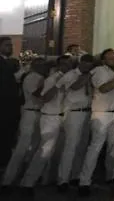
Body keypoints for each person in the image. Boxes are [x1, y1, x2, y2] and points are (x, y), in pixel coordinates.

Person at [21, 55, 72, 195]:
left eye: (69, 64)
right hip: (50, 117)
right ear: (58, 66)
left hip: (64, 117)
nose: (66, 67)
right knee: (44, 151)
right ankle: (28, 184)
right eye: (64, 64)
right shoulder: (52, 79)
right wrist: (57, 85)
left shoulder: (69, 78)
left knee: (59, 151)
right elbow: (45, 98)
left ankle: (54, 180)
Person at [79, 49, 114, 196]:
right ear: (104, 60)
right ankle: (84, 181)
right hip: (102, 114)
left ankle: (111, 176)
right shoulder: (98, 71)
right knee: (95, 147)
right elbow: (103, 88)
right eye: (110, 57)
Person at [1, 58, 46, 191]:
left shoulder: (40, 76)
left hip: (39, 113)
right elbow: (37, 94)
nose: (45, 67)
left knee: (34, 147)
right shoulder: (32, 77)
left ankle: (25, 179)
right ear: (36, 66)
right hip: (30, 113)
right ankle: (7, 180)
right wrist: (46, 83)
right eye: (42, 65)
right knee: (22, 146)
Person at [56, 54, 95, 191]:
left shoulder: (90, 76)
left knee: (82, 146)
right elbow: (74, 86)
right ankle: (63, 179)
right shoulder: (71, 75)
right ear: (80, 63)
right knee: (70, 146)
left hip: (87, 112)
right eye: (85, 63)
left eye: (90, 65)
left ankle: (75, 175)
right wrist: (86, 76)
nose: (87, 67)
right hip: (73, 113)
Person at [0, 37, 20, 169]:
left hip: (11, 107)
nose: (10, 48)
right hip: (3, 107)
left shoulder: (10, 62)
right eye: (7, 45)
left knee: (8, 138)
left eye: (11, 45)